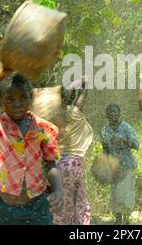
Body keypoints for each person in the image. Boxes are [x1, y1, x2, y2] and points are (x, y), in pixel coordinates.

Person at [0, 62, 63, 225]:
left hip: (38, 205)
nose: (17, 104)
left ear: (31, 98)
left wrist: (58, 190)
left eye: (23, 97)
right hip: (6, 209)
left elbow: (50, 164)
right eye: (10, 99)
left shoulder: (43, 128)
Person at [52, 77, 93, 225]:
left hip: (57, 164)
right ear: (72, 96)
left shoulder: (54, 116)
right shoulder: (75, 112)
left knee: (62, 201)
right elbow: (85, 88)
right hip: (76, 163)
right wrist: (80, 82)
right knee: (80, 199)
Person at [99, 103, 139, 225]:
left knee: (126, 192)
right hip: (114, 167)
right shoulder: (104, 131)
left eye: (116, 112)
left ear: (119, 113)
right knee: (116, 193)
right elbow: (105, 150)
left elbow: (136, 145)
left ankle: (126, 219)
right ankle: (117, 218)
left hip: (127, 166)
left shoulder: (126, 127)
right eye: (111, 112)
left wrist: (123, 140)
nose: (113, 114)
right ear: (107, 115)